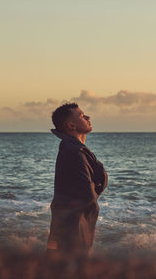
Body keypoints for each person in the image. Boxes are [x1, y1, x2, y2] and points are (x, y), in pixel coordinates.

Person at [46, 103, 108, 258]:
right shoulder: (73, 151)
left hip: (72, 224)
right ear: (71, 125)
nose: (88, 117)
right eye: (81, 116)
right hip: (73, 227)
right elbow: (85, 193)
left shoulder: (74, 148)